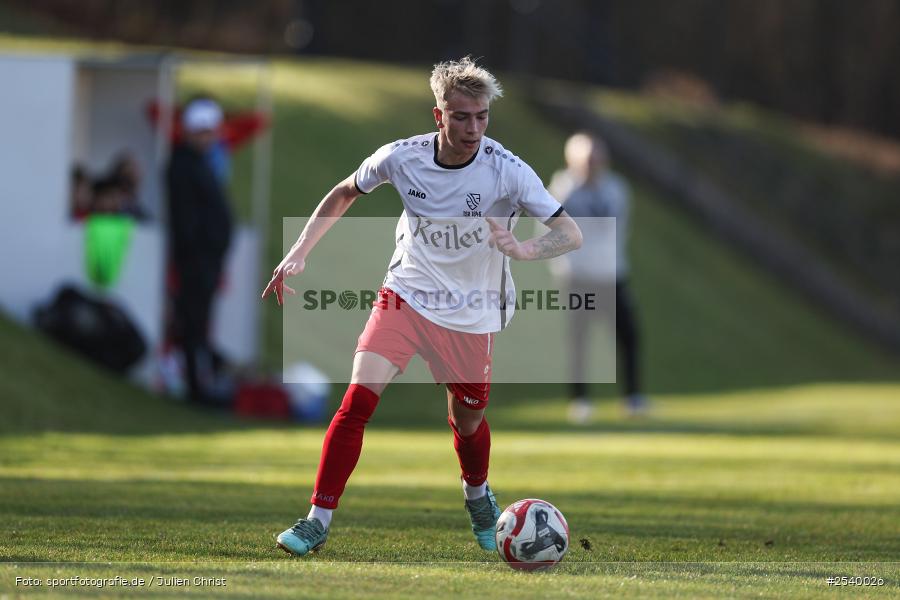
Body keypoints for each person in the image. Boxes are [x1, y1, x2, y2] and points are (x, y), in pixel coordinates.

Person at [262, 57, 583, 557]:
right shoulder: (401, 157)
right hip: (406, 295)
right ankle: (316, 520)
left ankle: (477, 496)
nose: (473, 127)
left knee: (469, 421)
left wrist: (524, 250)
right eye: (461, 117)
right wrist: (298, 252)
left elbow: (570, 233)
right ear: (439, 116)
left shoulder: (509, 171)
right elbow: (346, 191)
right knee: (356, 403)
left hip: (473, 312)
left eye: (481, 117)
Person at [548, 132, 648, 422]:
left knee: (628, 335)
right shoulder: (562, 189)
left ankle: (633, 398)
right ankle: (580, 401)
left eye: (597, 157)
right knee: (579, 340)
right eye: (588, 158)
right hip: (578, 277)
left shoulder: (616, 188)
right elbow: (548, 231)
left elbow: (622, 227)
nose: (594, 163)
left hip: (611, 275)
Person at [166, 98, 234, 406]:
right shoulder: (182, 165)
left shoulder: (199, 163)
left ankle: (200, 383)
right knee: (192, 323)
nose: (208, 139)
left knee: (199, 323)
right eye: (203, 132)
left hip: (207, 260)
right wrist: (198, 253)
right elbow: (186, 219)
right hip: (196, 261)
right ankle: (195, 388)